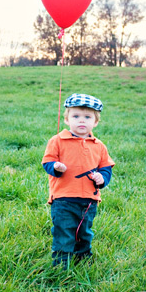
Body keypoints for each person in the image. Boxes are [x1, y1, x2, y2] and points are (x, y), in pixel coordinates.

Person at [42, 93, 115, 268]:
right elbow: (47, 162)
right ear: (67, 119)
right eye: (76, 116)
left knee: (85, 232)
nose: (81, 121)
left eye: (87, 117)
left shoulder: (99, 145)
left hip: (89, 200)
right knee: (64, 231)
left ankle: (83, 260)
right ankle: (61, 265)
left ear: (95, 122)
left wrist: (102, 178)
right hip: (63, 198)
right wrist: (56, 167)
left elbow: (106, 167)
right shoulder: (57, 141)